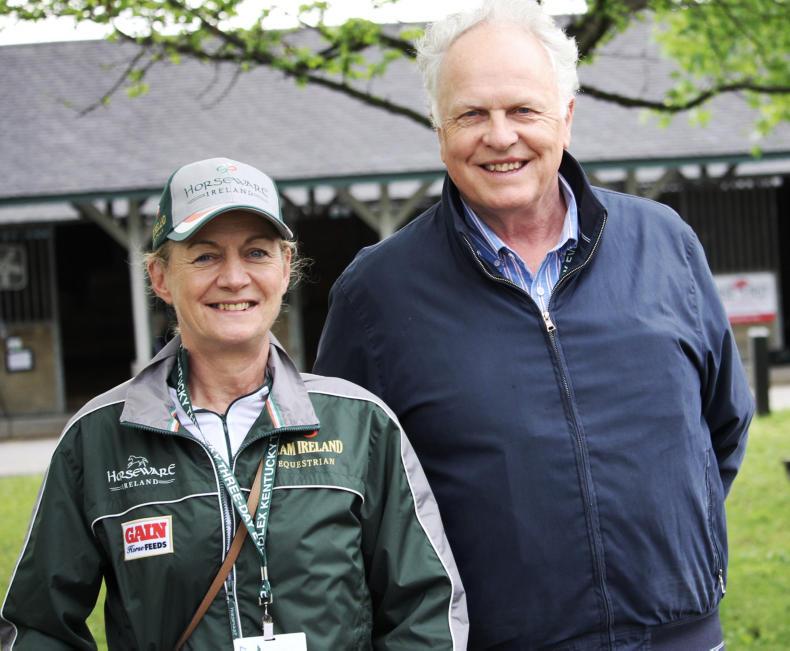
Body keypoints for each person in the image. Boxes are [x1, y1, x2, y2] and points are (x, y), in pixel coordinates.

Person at [314, 2, 754, 649]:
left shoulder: (665, 244)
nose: (500, 136)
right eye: (471, 114)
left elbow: (724, 424)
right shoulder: (375, 294)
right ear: (440, 130)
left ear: (566, 118)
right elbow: (337, 493)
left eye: (523, 110)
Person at [0, 157, 468, 649]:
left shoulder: (359, 424)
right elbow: (38, 627)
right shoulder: (99, 437)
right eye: (205, 256)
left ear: (286, 268)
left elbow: (426, 610)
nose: (234, 277)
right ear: (160, 276)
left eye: (257, 253)